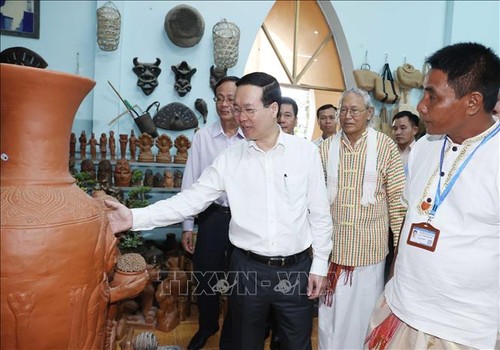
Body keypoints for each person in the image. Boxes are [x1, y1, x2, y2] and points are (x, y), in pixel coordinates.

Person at [105, 72, 333, 350]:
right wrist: (132, 217)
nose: (241, 117)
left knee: (296, 343)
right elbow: (189, 201)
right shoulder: (229, 160)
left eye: (249, 110)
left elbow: (319, 214)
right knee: (244, 342)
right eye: (237, 109)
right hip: (248, 269)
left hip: (296, 271)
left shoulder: (305, 153)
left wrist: (320, 265)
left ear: (273, 109)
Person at [365, 42, 500, 350]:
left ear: (472, 102)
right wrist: (392, 284)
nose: (421, 106)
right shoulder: (424, 147)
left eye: (432, 95)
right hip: (401, 309)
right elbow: (412, 218)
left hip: (462, 329)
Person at [318, 87, 406, 349]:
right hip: (333, 253)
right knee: (329, 318)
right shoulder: (325, 149)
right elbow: (313, 202)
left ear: (369, 113)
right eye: (343, 110)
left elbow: (398, 203)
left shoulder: (385, 146)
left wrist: (398, 251)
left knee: (362, 317)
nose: (347, 116)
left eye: (354, 110)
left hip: (369, 254)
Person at [180, 75, 244, 350]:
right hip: (212, 216)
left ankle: (232, 332)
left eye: (231, 98)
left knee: (241, 278)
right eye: (220, 98)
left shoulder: (250, 137)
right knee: (206, 274)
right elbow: (190, 181)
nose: (224, 104)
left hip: (244, 218)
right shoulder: (203, 137)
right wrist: (187, 226)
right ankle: (207, 326)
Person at [391, 110, 420, 174]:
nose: (398, 132)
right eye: (395, 129)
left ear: (414, 130)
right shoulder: (389, 152)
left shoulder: (421, 152)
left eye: (403, 128)